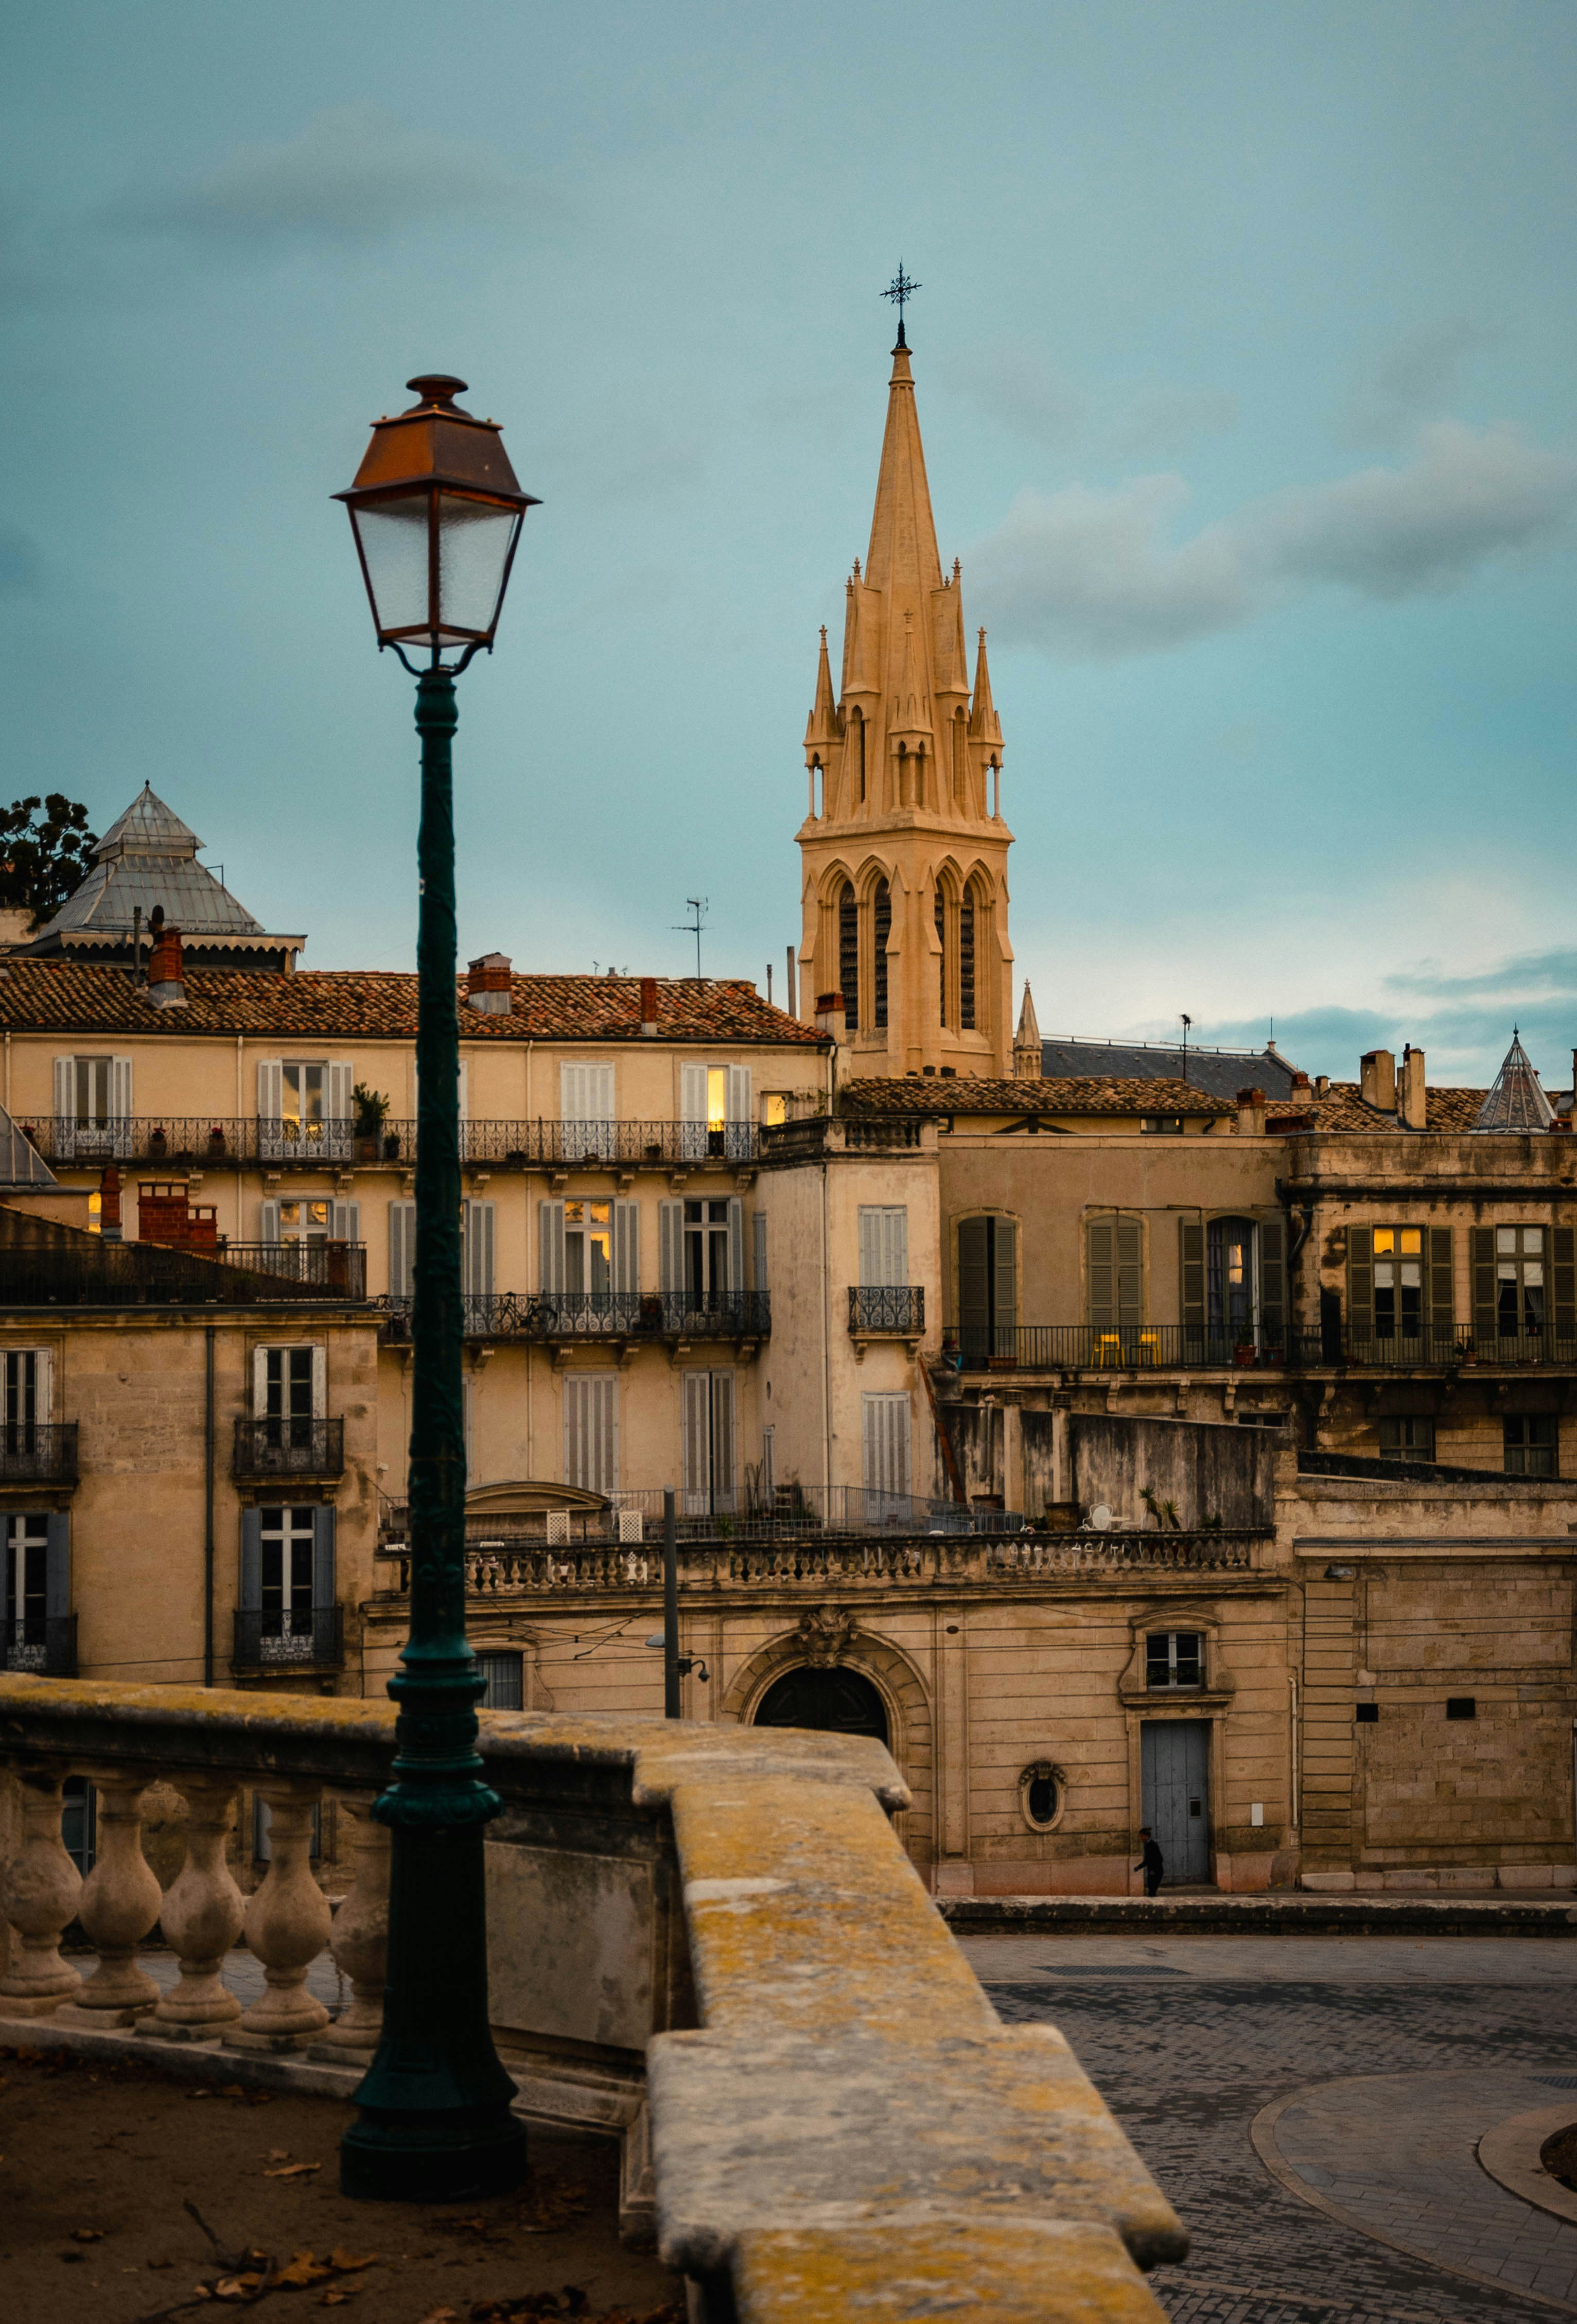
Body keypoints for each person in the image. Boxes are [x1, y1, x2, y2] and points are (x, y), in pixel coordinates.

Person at [1134, 1827, 1164, 1897]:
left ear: (1146, 1836)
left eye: (1141, 1836)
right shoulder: (1148, 1844)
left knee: (1152, 1892)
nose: (1141, 1839)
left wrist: (1139, 1867)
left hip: (1156, 1871)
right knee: (1151, 1891)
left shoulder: (1151, 1845)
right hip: (1154, 1871)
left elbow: (1156, 1859)